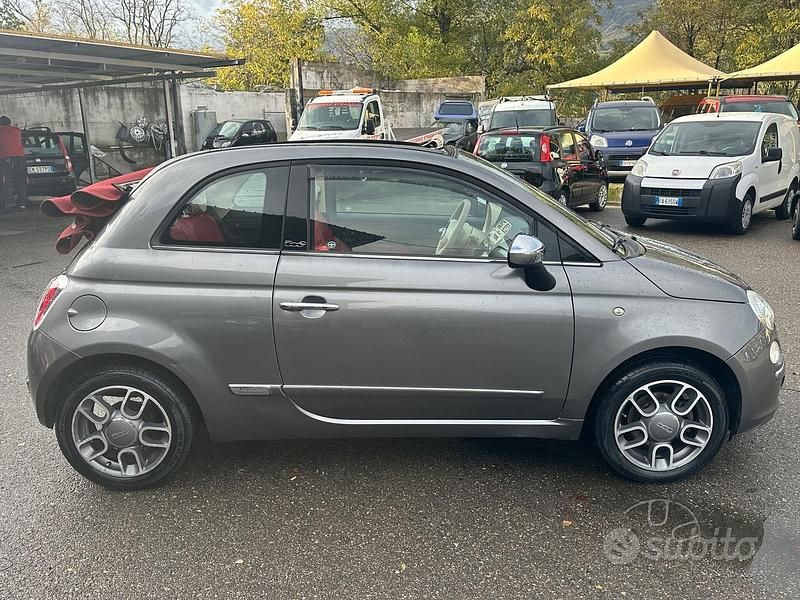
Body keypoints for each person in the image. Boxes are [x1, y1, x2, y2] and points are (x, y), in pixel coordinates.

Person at [0, 116, 27, 211]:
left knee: (5, 181)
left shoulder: (1, 131)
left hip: (6, 158)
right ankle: (22, 204)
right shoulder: (17, 130)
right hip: (20, 158)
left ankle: (9, 202)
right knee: (20, 181)